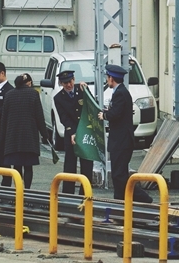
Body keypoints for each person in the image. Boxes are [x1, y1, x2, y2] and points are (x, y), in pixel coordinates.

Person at [98, 64, 152, 202]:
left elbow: (116, 113)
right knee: (118, 174)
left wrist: (104, 115)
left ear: (111, 79)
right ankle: (121, 200)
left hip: (121, 141)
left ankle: (140, 198)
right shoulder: (121, 92)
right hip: (121, 140)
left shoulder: (120, 93)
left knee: (119, 174)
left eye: (107, 77)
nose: (107, 80)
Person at [1, 73, 47, 189]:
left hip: (13, 137)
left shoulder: (9, 95)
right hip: (29, 136)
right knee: (28, 166)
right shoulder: (33, 94)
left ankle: (18, 189)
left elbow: (4, 118)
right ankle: (27, 190)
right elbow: (39, 117)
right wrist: (45, 135)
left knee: (17, 166)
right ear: (28, 83)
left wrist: (3, 136)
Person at [54, 70, 92, 194]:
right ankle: (68, 193)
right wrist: (73, 133)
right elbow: (64, 118)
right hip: (71, 132)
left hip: (85, 131)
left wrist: (87, 89)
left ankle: (85, 193)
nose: (68, 85)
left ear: (74, 80)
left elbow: (91, 105)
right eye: (65, 83)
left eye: (70, 82)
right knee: (70, 164)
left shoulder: (81, 90)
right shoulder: (58, 98)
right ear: (61, 83)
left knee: (86, 163)